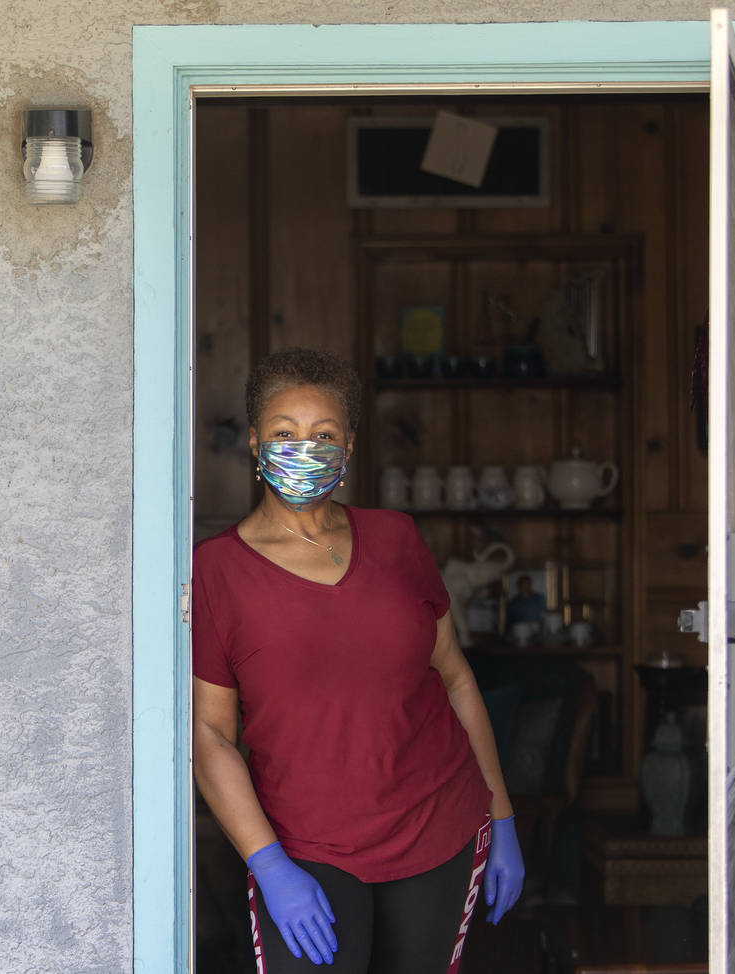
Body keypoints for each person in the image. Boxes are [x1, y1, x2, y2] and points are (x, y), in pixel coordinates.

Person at [193, 347, 525, 973]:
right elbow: (210, 734)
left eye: (323, 435)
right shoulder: (218, 571)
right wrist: (267, 863)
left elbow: (454, 678)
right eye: (285, 434)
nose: (304, 448)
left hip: (438, 831)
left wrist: (501, 814)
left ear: (348, 448)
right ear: (255, 443)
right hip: (303, 848)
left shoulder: (396, 539)